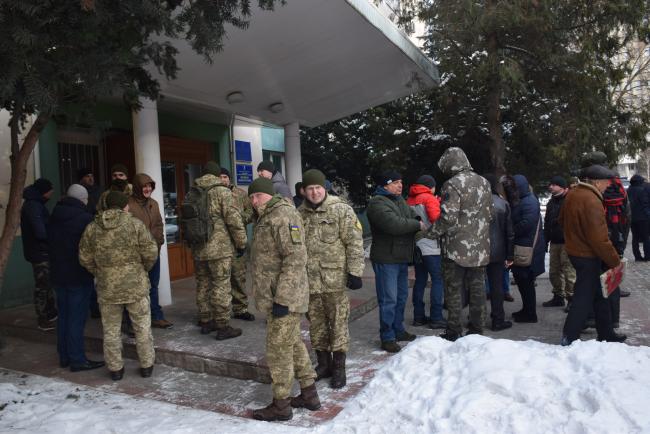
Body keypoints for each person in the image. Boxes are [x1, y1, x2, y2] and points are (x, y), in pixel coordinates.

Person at [248, 177, 320, 421]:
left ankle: (281, 405)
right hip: (277, 296)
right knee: (293, 343)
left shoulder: (282, 215)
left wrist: (282, 298)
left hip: (285, 298)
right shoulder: (266, 216)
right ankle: (310, 394)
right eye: (251, 197)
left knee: (278, 350)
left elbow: (295, 258)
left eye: (257, 195)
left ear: (269, 195)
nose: (254, 201)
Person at [79, 191, 158, 380]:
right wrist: (142, 269)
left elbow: (84, 257)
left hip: (108, 288)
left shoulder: (92, 228)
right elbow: (151, 252)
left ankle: (115, 369)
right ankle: (146, 365)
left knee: (111, 331)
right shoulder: (135, 224)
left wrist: (100, 272)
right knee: (142, 327)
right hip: (135, 286)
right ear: (125, 206)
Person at [298, 169, 364, 389]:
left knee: (338, 324)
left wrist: (355, 272)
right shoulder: (299, 214)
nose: (315, 192)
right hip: (310, 281)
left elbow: (354, 242)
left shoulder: (341, 210)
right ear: (304, 191)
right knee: (316, 324)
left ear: (324, 188)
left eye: (318, 187)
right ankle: (324, 364)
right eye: (310, 188)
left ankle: (338, 368)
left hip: (334, 280)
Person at [429, 148, 492, 341]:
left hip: (456, 249)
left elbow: (448, 218)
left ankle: (454, 330)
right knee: (478, 289)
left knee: (453, 290)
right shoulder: (484, 182)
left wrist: (429, 233)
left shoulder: (452, 184)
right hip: (480, 248)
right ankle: (477, 328)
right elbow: (490, 214)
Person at [560, 165, 626, 344]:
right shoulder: (591, 200)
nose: (608, 185)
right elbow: (599, 239)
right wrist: (615, 261)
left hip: (577, 252)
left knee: (599, 294)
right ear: (596, 182)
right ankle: (569, 336)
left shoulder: (573, 194)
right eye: (606, 182)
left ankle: (606, 333)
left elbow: (562, 221)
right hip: (587, 256)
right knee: (583, 297)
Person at [47, 184, 105, 372]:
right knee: (76, 319)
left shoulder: (54, 215)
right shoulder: (85, 219)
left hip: (58, 274)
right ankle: (77, 359)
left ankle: (64, 356)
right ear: (83, 199)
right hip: (78, 275)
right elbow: (93, 247)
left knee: (64, 316)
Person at [367, 170, 424, 352]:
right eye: (396, 182)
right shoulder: (377, 203)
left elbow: (412, 215)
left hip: (400, 257)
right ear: (386, 185)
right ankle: (387, 337)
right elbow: (394, 225)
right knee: (388, 299)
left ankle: (398, 330)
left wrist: (415, 220)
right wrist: (416, 224)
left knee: (400, 297)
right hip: (386, 259)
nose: (400, 185)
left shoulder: (398, 200)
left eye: (401, 182)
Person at [190, 161, 247, 339]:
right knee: (221, 285)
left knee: (203, 284)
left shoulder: (193, 192)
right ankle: (223, 326)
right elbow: (234, 220)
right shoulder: (222, 191)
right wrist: (242, 243)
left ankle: (206, 320)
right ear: (216, 175)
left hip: (198, 248)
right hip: (219, 249)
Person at [127, 173, 173, 329]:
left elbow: (159, 224)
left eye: (149, 186)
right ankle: (133, 323)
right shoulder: (128, 204)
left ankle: (156, 317)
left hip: (153, 253)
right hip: (136, 255)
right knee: (135, 288)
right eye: (144, 186)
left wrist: (159, 241)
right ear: (137, 187)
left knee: (153, 286)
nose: (147, 189)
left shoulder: (154, 203)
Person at [405, 174, 445, 329]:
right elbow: (436, 220)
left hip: (416, 246)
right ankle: (436, 317)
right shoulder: (429, 198)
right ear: (431, 186)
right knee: (437, 280)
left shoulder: (409, 200)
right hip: (431, 246)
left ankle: (419, 317)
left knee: (420, 280)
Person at [219, 167, 255, 321]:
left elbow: (251, 212)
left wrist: (238, 219)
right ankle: (220, 312)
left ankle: (240, 308)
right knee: (219, 279)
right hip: (219, 244)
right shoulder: (213, 194)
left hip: (237, 243)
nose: (223, 180)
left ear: (229, 178)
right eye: (220, 177)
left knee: (238, 277)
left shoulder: (240, 194)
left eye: (225, 177)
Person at [21, 177, 57, 331]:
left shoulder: (35, 204)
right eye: (50, 191)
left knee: (46, 283)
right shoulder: (33, 206)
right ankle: (42, 318)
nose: (51, 194)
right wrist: (51, 240)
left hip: (39, 250)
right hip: (39, 251)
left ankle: (50, 312)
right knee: (42, 285)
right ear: (44, 191)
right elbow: (40, 231)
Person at [508, 174, 545, 323]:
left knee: (526, 282)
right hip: (524, 246)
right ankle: (526, 309)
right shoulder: (523, 200)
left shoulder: (529, 201)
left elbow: (527, 224)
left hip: (528, 248)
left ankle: (530, 314)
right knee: (522, 282)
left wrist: (511, 231)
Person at [483, 174, 514, 331]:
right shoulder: (503, 204)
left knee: (477, 285)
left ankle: (476, 319)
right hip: (498, 251)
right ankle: (498, 320)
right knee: (497, 286)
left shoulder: (474, 202)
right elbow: (509, 233)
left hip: (477, 251)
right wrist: (510, 255)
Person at [543, 176, 575, 309]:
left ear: (562, 187)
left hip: (567, 242)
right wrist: (545, 240)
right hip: (554, 242)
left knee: (569, 272)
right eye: (550, 184)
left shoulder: (570, 200)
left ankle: (572, 299)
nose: (550, 187)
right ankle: (558, 296)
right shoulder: (552, 202)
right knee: (554, 272)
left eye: (554, 184)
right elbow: (547, 222)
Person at [626, 174, 650, 261]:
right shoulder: (642, 190)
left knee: (635, 237)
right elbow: (645, 204)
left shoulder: (628, 190)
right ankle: (647, 256)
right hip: (643, 218)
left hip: (632, 218)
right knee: (646, 237)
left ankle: (637, 256)